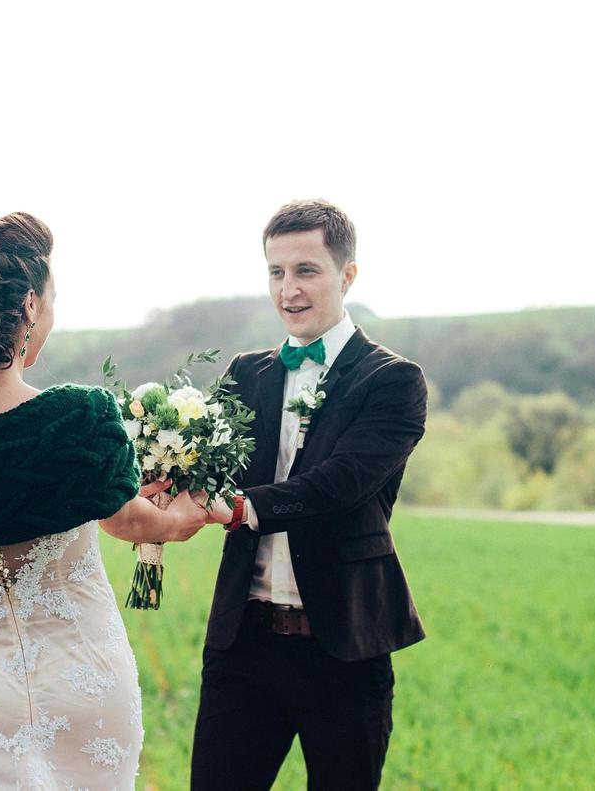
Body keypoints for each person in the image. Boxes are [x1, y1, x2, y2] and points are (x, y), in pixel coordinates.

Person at [0, 211, 208, 791]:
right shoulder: (79, 415)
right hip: (83, 679)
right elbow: (134, 522)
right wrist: (185, 512)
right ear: (30, 305)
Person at [191, 199, 429, 790]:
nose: (288, 290)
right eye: (276, 272)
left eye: (306, 271)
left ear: (347, 275)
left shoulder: (394, 381)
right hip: (242, 645)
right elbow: (210, 469)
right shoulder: (246, 373)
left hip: (344, 648)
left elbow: (342, 483)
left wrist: (247, 508)